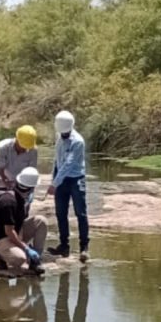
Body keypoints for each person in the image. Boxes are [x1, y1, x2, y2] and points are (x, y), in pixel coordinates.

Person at [0, 167, 47, 275]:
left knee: (41, 221)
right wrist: (26, 248)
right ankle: (1, 257)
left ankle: (35, 260)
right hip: (0, 239)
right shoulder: (8, 202)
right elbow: (9, 231)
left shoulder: (20, 198)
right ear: (31, 188)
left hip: (15, 231)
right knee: (19, 259)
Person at [46, 110, 90, 262]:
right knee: (60, 212)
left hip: (76, 179)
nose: (63, 135)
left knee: (80, 213)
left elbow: (68, 164)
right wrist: (54, 179)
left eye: (65, 133)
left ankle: (84, 248)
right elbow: (57, 161)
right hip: (62, 179)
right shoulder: (59, 137)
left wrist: (54, 183)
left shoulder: (78, 141)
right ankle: (64, 245)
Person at [0, 124, 38, 195]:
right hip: (0, 183)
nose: (24, 149)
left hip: (21, 184)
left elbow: (31, 171)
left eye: (27, 147)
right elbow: (0, 169)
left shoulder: (33, 150)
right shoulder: (3, 147)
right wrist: (7, 182)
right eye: (23, 146)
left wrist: (30, 189)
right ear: (16, 139)